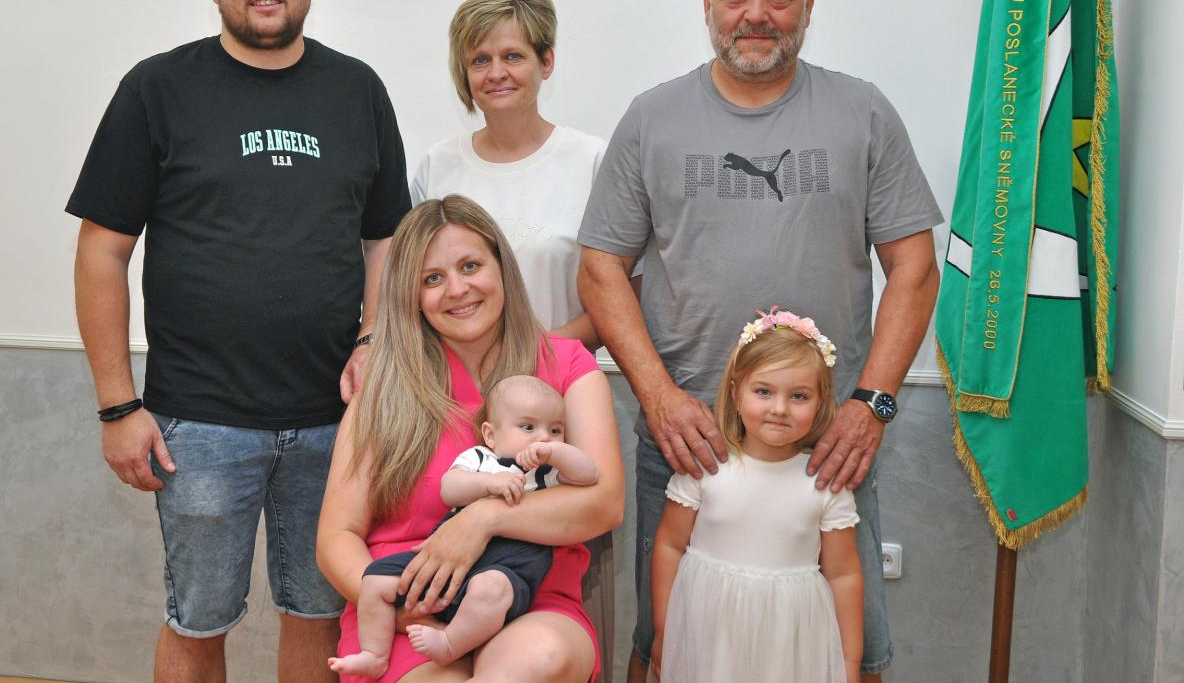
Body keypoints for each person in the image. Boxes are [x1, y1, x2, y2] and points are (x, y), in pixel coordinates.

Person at [577, 0, 943, 683]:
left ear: (807, 6)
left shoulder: (863, 112)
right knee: (667, 646)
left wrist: (871, 405)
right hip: (688, 443)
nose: (756, 14)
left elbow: (913, 267)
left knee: (850, 650)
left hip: (827, 447)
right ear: (708, 5)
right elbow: (600, 268)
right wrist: (658, 396)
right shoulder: (652, 118)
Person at [67, 0, 410, 683]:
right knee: (198, 621)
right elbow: (101, 253)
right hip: (199, 422)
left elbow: (386, 238)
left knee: (321, 616)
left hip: (337, 419)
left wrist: (372, 336)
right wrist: (118, 407)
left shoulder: (357, 89)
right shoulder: (157, 88)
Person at [317, 195, 624, 683]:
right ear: (410, 295)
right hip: (408, 606)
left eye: (470, 266)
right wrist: (394, 608)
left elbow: (604, 503)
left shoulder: (566, 364)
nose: (457, 289)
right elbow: (337, 536)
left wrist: (481, 520)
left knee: (537, 658)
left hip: (530, 595)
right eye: (432, 278)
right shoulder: (382, 387)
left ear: (501, 266)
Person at [330, 375, 598, 677]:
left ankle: (449, 642)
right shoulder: (480, 459)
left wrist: (558, 453)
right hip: (446, 558)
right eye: (528, 427)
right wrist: (488, 483)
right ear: (491, 435)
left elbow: (588, 474)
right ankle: (374, 654)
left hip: (510, 564)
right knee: (375, 579)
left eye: (555, 430)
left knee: (490, 588)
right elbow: (450, 489)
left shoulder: (547, 472)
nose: (543, 438)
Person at [651, 308, 863, 683]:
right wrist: (665, 630)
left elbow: (844, 574)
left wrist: (848, 662)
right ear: (736, 393)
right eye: (764, 391)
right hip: (709, 631)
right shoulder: (705, 467)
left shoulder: (826, 482)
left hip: (788, 639)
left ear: (820, 403)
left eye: (799, 396)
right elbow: (669, 545)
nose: (779, 409)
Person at [410, 0, 608, 349]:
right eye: (480, 60)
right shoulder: (437, 166)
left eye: (513, 56)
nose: (496, 72)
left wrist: (533, 358)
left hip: (561, 377)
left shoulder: (592, 161)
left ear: (546, 61)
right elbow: (414, 291)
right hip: (457, 380)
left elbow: (622, 298)